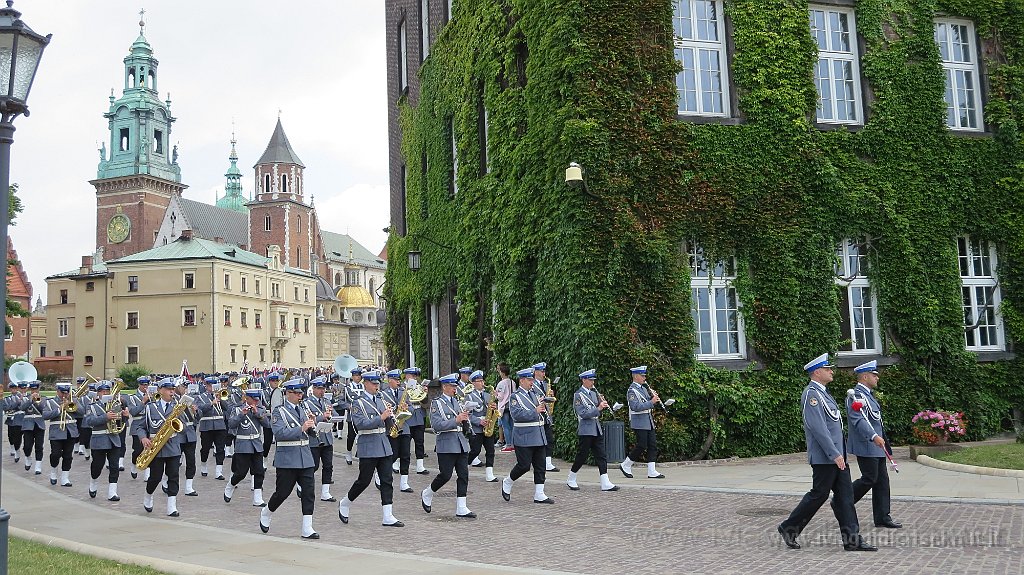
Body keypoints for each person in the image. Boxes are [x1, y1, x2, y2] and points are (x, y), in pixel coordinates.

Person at [777, 353, 876, 552]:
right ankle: (789, 527)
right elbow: (818, 428)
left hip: (837, 456)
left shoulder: (823, 393)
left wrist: (840, 453)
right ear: (816, 372)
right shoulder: (812, 394)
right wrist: (834, 454)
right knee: (819, 494)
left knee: (845, 497)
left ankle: (852, 540)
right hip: (826, 458)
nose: (831, 371)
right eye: (827, 368)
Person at [338, 371, 404, 527]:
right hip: (368, 445)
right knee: (364, 481)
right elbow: (360, 424)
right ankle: (345, 502)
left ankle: (388, 515)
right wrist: (381, 417)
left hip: (383, 444)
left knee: (387, 480)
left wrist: (398, 418)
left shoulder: (381, 400)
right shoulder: (357, 403)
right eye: (374, 384)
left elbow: (389, 425)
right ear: (365, 383)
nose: (377, 386)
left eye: (378, 383)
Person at [260, 378, 319, 539]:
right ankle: (267, 511)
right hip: (287, 457)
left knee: (308, 492)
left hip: (305, 456)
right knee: (283, 492)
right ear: (288, 393)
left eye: (301, 393)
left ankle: (307, 527)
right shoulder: (279, 411)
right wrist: (301, 428)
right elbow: (279, 433)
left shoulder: (304, 409)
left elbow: (310, 432)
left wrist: (314, 423)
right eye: (297, 393)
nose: (300, 396)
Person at [846, 360, 902, 529]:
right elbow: (858, 420)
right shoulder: (855, 396)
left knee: (882, 481)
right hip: (867, 444)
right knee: (870, 478)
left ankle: (882, 516)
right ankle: (843, 501)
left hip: (877, 445)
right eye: (874, 375)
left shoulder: (868, 395)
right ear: (864, 376)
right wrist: (873, 436)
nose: (877, 378)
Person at [420, 373, 476, 518]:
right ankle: (428, 492)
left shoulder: (457, 401)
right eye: (452, 386)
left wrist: (465, 420)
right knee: (445, 475)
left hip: (460, 442)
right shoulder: (436, 403)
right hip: (446, 443)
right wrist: (456, 420)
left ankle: (461, 507)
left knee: (463, 475)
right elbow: (436, 426)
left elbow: (460, 421)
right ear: (444, 387)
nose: (455, 389)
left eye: (455, 386)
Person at [501, 367, 554, 504]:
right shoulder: (515, 397)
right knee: (524, 466)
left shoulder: (535, 394)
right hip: (523, 437)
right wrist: (535, 411)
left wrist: (545, 405)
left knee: (540, 465)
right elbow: (517, 415)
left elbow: (541, 412)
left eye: (532, 379)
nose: (532, 382)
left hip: (539, 435)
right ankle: (508, 481)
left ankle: (539, 493)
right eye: (529, 380)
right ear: (522, 380)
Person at [138, 378, 186, 517]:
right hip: (156, 447)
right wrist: (144, 438)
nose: (172, 392)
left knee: (173, 476)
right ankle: (148, 495)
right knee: (155, 477)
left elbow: (185, 428)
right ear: (160, 390)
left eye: (173, 389)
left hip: (173, 446)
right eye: (168, 389)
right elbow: (141, 427)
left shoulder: (177, 407)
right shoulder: (150, 407)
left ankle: (172, 506)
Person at [568, 369, 618, 492]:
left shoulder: (594, 394)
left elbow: (596, 412)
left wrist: (601, 405)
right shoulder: (578, 395)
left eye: (593, 380)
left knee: (601, 455)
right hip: (586, 429)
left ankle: (605, 482)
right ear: (583, 380)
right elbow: (583, 413)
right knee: (582, 455)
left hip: (596, 428)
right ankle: (571, 477)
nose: (592, 383)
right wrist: (598, 408)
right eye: (590, 380)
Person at [225, 387, 270, 507]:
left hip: (256, 444)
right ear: (247, 398)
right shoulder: (237, 409)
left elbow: (267, 424)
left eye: (257, 400)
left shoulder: (261, 408)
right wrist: (241, 414)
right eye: (253, 400)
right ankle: (230, 485)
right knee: (241, 473)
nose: (256, 402)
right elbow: (231, 424)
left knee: (259, 471)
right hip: (243, 445)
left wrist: (257, 413)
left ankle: (257, 498)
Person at [85, 381, 129, 501]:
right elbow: (89, 421)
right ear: (98, 393)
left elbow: (120, 422)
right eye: (103, 391)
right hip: (99, 440)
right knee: (97, 466)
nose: (105, 393)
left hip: (114, 439)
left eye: (107, 391)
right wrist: (105, 417)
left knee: (114, 467)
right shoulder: (92, 406)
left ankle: (112, 492)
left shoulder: (116, 404)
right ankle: (93, 482)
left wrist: (125, 416)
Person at [618, 366, 665, 479]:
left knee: (652, 445)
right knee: (641, 445)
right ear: (635, 376)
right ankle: (626, 464)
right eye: (642, 375)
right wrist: (651, 402)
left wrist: (654, 398)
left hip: (648, 420)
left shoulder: (643, 388)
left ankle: (651, 471)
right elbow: (635, 407)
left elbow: (649, 401)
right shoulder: (631, 391)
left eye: (644, 375)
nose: (644, 377)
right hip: (639, 421)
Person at [303, 377, 337, 502]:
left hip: (327, 438)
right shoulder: (307, 403)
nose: (322, 391)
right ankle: (304, 486)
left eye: (323, 388)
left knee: (328, 465)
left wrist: (332, 416)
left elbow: (336, 417)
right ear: (314, 389)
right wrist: (322, 416)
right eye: (319, 389)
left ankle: (325, 492)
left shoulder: (327, 402)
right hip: (314, 438)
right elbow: (307, 420)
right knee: (314, 465)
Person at [381, 369, 413, 492]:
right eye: (396, 380)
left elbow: (412, 408)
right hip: (391, 427)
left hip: (404, 427)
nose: (398, 382)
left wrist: (406, 409)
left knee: (405, 455)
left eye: (399, 380)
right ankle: (381, 475)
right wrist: (391, 412)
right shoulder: (383, 394)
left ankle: (404, 483)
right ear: (390, 380)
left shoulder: (404, 392)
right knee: (393, 454)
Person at [41, 383, 79, 487]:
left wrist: (70, 404)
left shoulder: (73, 400)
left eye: (66, 393)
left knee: (68, 456)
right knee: (55, 454)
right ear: (57, 391)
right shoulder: (50, 402)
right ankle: (53, 471)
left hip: (70, 431)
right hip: (56, 431)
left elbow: (82, 412)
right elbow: (45, 415)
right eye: (62, 393)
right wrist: (59, 409)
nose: (64, 395)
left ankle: (65, 477)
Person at [465, 370, 498, 482]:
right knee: (475, 450)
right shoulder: (469, 397)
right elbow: (467, 415)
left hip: (488, 426)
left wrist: (494, 408)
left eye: (482, 380)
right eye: (479, 381)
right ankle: (465, 468)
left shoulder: (488, 395)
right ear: (473, 383)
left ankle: (489, 474)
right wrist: (479, 421)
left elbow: (492, 410)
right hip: (477, 428)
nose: (482, 383)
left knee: (490, 450)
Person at [198, 376, 229, 479]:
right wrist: (211, 403)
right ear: (206, 386)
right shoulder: (201, 397)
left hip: (220, 425)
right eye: (210, 385)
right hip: (206, 426)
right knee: (205, 448)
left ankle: (218, 471)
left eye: (214, 385)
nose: (212, 387)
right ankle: (203, 465)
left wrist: (220, 399)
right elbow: (200, 409)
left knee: (220, 449)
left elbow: (226, 408)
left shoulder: (220, 396)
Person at [532, 362, 559, 472]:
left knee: (549, 439)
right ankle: (537, 461)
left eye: (544, 371)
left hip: (546, 414)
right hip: (537, 414)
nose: (544, 373)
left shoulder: (546, 384)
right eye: (542, 371)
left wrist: (551, 396)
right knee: (538, 440)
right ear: (535, 372)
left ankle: (548, 462)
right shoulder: (531, 384)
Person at [403, 367, 430, 475]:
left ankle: (420, 466)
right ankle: (399, 463)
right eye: (412, 376)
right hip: (408, 418)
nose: (414, 378)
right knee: (405, 443)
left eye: (415, 376)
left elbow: (425, 402)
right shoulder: (402, 387)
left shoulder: (419, 387)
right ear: (407, 376)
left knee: (420, 442)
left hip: (418, 417)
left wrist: (425, 393)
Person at [175, 381, 200, 496]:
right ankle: (166, 481)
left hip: (190, 434)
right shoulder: (173, 401)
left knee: (191, 461)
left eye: (185, 387)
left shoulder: (191, 399)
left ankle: (189, 487)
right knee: (173, 461)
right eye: (182, 387)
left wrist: (195, 412)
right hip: (178, 434)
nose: (184, 389)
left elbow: (197, 419)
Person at [125, 377, 152, 480]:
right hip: (137, 424)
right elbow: (133, 412)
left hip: (149, 424)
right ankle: (133, 464)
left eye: (146, 385)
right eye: (143, 385)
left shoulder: (151, 395)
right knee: (138, 450)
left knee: (149, 449)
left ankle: (147, 472)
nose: (145, 387)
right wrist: (143, 402)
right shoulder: (132, 397)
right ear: (139, 385)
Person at [19, 381, 46, 475]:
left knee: (39, 446)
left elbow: (44, 409)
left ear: (38, 389)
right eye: (32, 389)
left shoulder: (43, 398)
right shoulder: (25, 398)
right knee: (27, 446)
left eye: (35, 389)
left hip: (39, 424)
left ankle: (38, 466)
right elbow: (22, 407)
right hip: (28, 425)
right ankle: (28, 458)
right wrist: (30, 400)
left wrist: (37, 400)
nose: (34, 391)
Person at [261, 373, 283, 458]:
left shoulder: (280, 391)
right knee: (268, 441)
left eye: (277, 381)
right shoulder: (264, 392)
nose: (275, 382)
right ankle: (264, 458)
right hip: (269, 419)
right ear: (269, 381)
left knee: (280, 440)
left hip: (278, 419)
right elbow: (267, 403)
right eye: (273, 381)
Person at [494, 363, 515, 452]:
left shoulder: (501, 383)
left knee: (505, 426)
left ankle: (508, 444)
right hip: (512, 406)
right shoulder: (512, 382)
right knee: (512, 425)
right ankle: (513, 444)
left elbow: (500, 397)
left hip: (504, 407)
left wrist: (495, 394)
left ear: (502, 372)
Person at [4, 382, 24, 463]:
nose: (14, 390)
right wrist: (17, 402)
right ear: (10, 389)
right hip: (11, 419)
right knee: (10, 435)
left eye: (15, 388)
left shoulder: (23, 397)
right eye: (12, 389)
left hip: (20, 419)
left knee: (18, 436)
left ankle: (17, 449)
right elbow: (7, 408)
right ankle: (12, 447)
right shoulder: (6, 399)